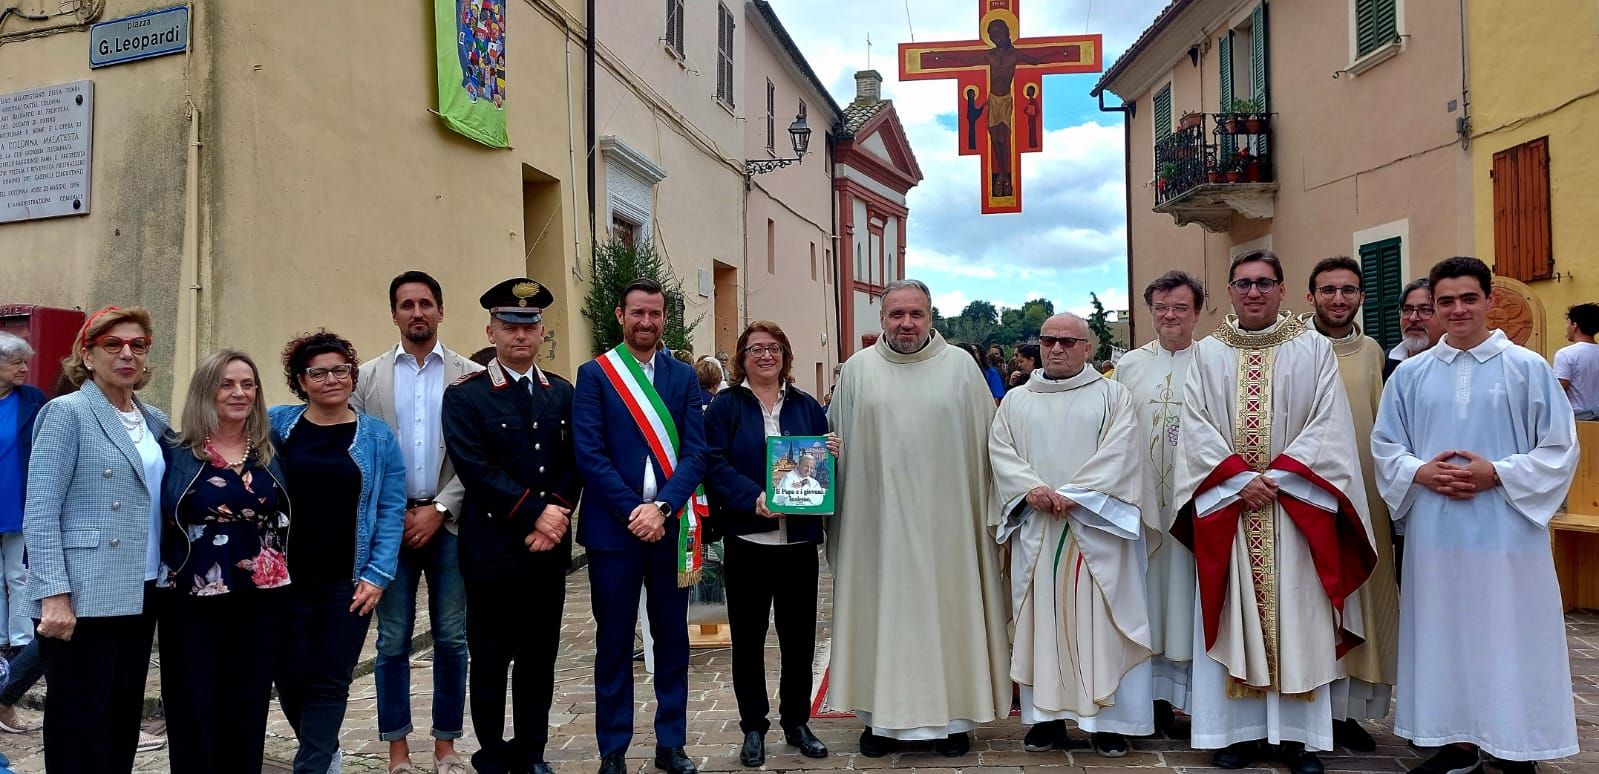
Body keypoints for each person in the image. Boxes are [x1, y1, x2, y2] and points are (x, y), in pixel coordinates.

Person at [1373, 257, 1579, 774]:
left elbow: (1559, 448)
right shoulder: (1412, 374)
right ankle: (1456, 743)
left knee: (1509, 632)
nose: (1457, 309)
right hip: (1436, 530)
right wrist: (1420, 473)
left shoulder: (1528, 368)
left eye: (1468, 298)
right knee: (1444, 632)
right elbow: (1384, 445)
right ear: (1434, 308)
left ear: (1490, 300)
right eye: (1446, 301)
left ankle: (1514, 745)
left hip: (1506, 528)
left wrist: (1500, 474)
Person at [1172, 251, 1376, 774]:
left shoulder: (1312, 349)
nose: (1255, 292)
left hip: (1295, 508)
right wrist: (1239, 481)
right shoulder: (1208, 353)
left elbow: (1329, 426)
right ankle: (1238, 733)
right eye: (1244, 284)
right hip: (1233, 509)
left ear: (1283, 290)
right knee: (1234, 611)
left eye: (1265, 283)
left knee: (1299, 619)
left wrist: (1279, 478)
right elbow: (1195, 426)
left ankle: (1296, 740)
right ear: (1231, 291)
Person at [826, 279, 1010, 757]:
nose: (906, 323)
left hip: (947, 527)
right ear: (882, 319)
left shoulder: (961, 370)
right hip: (877, 525)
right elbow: (836, 444)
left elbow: (988, 447)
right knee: (879, 611)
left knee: (949, 611)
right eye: (896, 315)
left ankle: (952, 721)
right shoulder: (858, 372)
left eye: (916, 314)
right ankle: (879, 722)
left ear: (931, 318)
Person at [991, 313, 1156, 758]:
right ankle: (1046, 722)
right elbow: (1001, 452)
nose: (1057, 348)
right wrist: (1032, 489)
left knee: (1101, 625)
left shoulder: (1113, 396)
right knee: (1041, 624)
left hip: (1096, 531)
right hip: (1039, 530)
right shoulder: (1016, 401)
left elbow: (1122, 452)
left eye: (1068, 341)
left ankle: (1109, 723)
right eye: (1048, 340)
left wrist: (1077, 494)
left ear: (1088, 348)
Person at [440, 277, 582, 774]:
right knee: (492, 655)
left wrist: (557, 514)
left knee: (539, 657)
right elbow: (474, 468)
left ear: (542, 332)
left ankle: (532, 750)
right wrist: (534, 513)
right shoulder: (466, 396)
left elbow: (575, 462)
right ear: (491, 331)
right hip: (492, 549)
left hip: (546, 550)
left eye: (530, 325)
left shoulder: (562, 393)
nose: (520, 335)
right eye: (509, 326)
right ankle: (493, 751)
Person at [23, 306, 170, 771]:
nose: (127, 354)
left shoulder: (154, 420)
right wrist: (54, 596)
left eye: (138, 346)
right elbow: (41, 511)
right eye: (113, 345)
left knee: (121, 715)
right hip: (83, 593)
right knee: (78, 722)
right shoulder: (67, 413)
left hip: (141, 586)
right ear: (87, 356)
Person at [349, 271, 481, 774]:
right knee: (392, 640)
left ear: (441, 311)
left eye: (426, 303)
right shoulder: (368, 378)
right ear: (394, 314)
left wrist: (441, 507)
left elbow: (476, 455)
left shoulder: (469, 375)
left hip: (450, 520)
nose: (417, 312)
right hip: (391, 524)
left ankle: (446, 746)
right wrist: (396, 511)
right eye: (407, 305)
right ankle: (397, 752)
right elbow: (361, 453)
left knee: (451, 637)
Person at [574, 278, 708, 774]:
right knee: (613, 641)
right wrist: (635, 509)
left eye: (654, 314)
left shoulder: (683, 377)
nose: (646, 322)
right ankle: (613, 748)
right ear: (620, 315)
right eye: (637, 313)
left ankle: (670, 742)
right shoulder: (596, 374)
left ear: (664, 317)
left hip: (669, 529)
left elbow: (696, 453)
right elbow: (589, 452)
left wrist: (664, 508)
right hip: (615, 531)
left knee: (672, 639)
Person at [269, 330, 406, 774]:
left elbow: (390, 508)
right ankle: (324, 750)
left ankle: (313, 764)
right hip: (282, 579)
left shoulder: (377, 438)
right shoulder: (275, 426)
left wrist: (378, 574)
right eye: (319, 372)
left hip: (346, 580)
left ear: (352, 374)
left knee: (331, 679)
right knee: (288, 676)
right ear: (301, 380)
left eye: (341, 369)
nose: (332, 379)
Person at [703, 320, 836, 767]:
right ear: (742, 357)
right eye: (756, 348)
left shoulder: (805, 406)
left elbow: (817, 463)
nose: (765, 355)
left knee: (799, 637)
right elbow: (713, 463)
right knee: (749, 638)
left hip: (797, 541)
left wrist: (829, 453)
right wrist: (752, 498)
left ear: (785, 355)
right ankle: (753, 727)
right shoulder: (726, 406)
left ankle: (797, 721)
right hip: (749, 538)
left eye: (774, 348)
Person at [156, 349, 292, 773]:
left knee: (248, 704)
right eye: (227, 384)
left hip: (261, 597)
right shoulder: (175, 452)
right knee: (192, 705)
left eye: (248, 384)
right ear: (206, 391)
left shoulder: (271, 450)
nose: (239, 393)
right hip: (191, 599)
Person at [1300, 257, 1400, 752]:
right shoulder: (1294, 348)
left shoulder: (1372, 351)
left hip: (1363, 492)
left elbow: (1382, 425)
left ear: (1361, 296)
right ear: (1310, 296)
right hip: (1309, 494)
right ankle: (1311, 705)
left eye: (1348, 291)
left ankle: (1349, 714)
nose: (1338, 299)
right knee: (1315, 598)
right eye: (1328, 291)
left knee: (1361, 593)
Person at [1113, 270, 1203, 737]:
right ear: (1150, 311)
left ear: (1197, 313)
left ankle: (1193, 698)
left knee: (1189, 597)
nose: (1170, 316)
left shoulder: (1213, 362)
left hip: (1193, 504)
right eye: (1161, 307)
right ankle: (1152, 700)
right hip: (1144, 505)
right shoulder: (1128, 367)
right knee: (1147, 596)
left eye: (1180, 308)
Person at [0, 333, 43, 662]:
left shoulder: (33, 399)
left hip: (20, 498)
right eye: (16, 363)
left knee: (20, 574)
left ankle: (21, 641)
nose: (25, 369)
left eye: (25, 362)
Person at [1382, 279, 1444, 380]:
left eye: (1425, 310)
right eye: (1407, 310)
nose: (1413, 318)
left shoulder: (1455, 366)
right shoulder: (1383, 363)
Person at [1554, 302, 1599, 420]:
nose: (1567, 327)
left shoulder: (1566, 354)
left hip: (1577, 420)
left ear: (1574, 326)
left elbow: (1557, 390)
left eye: (1568, 323)